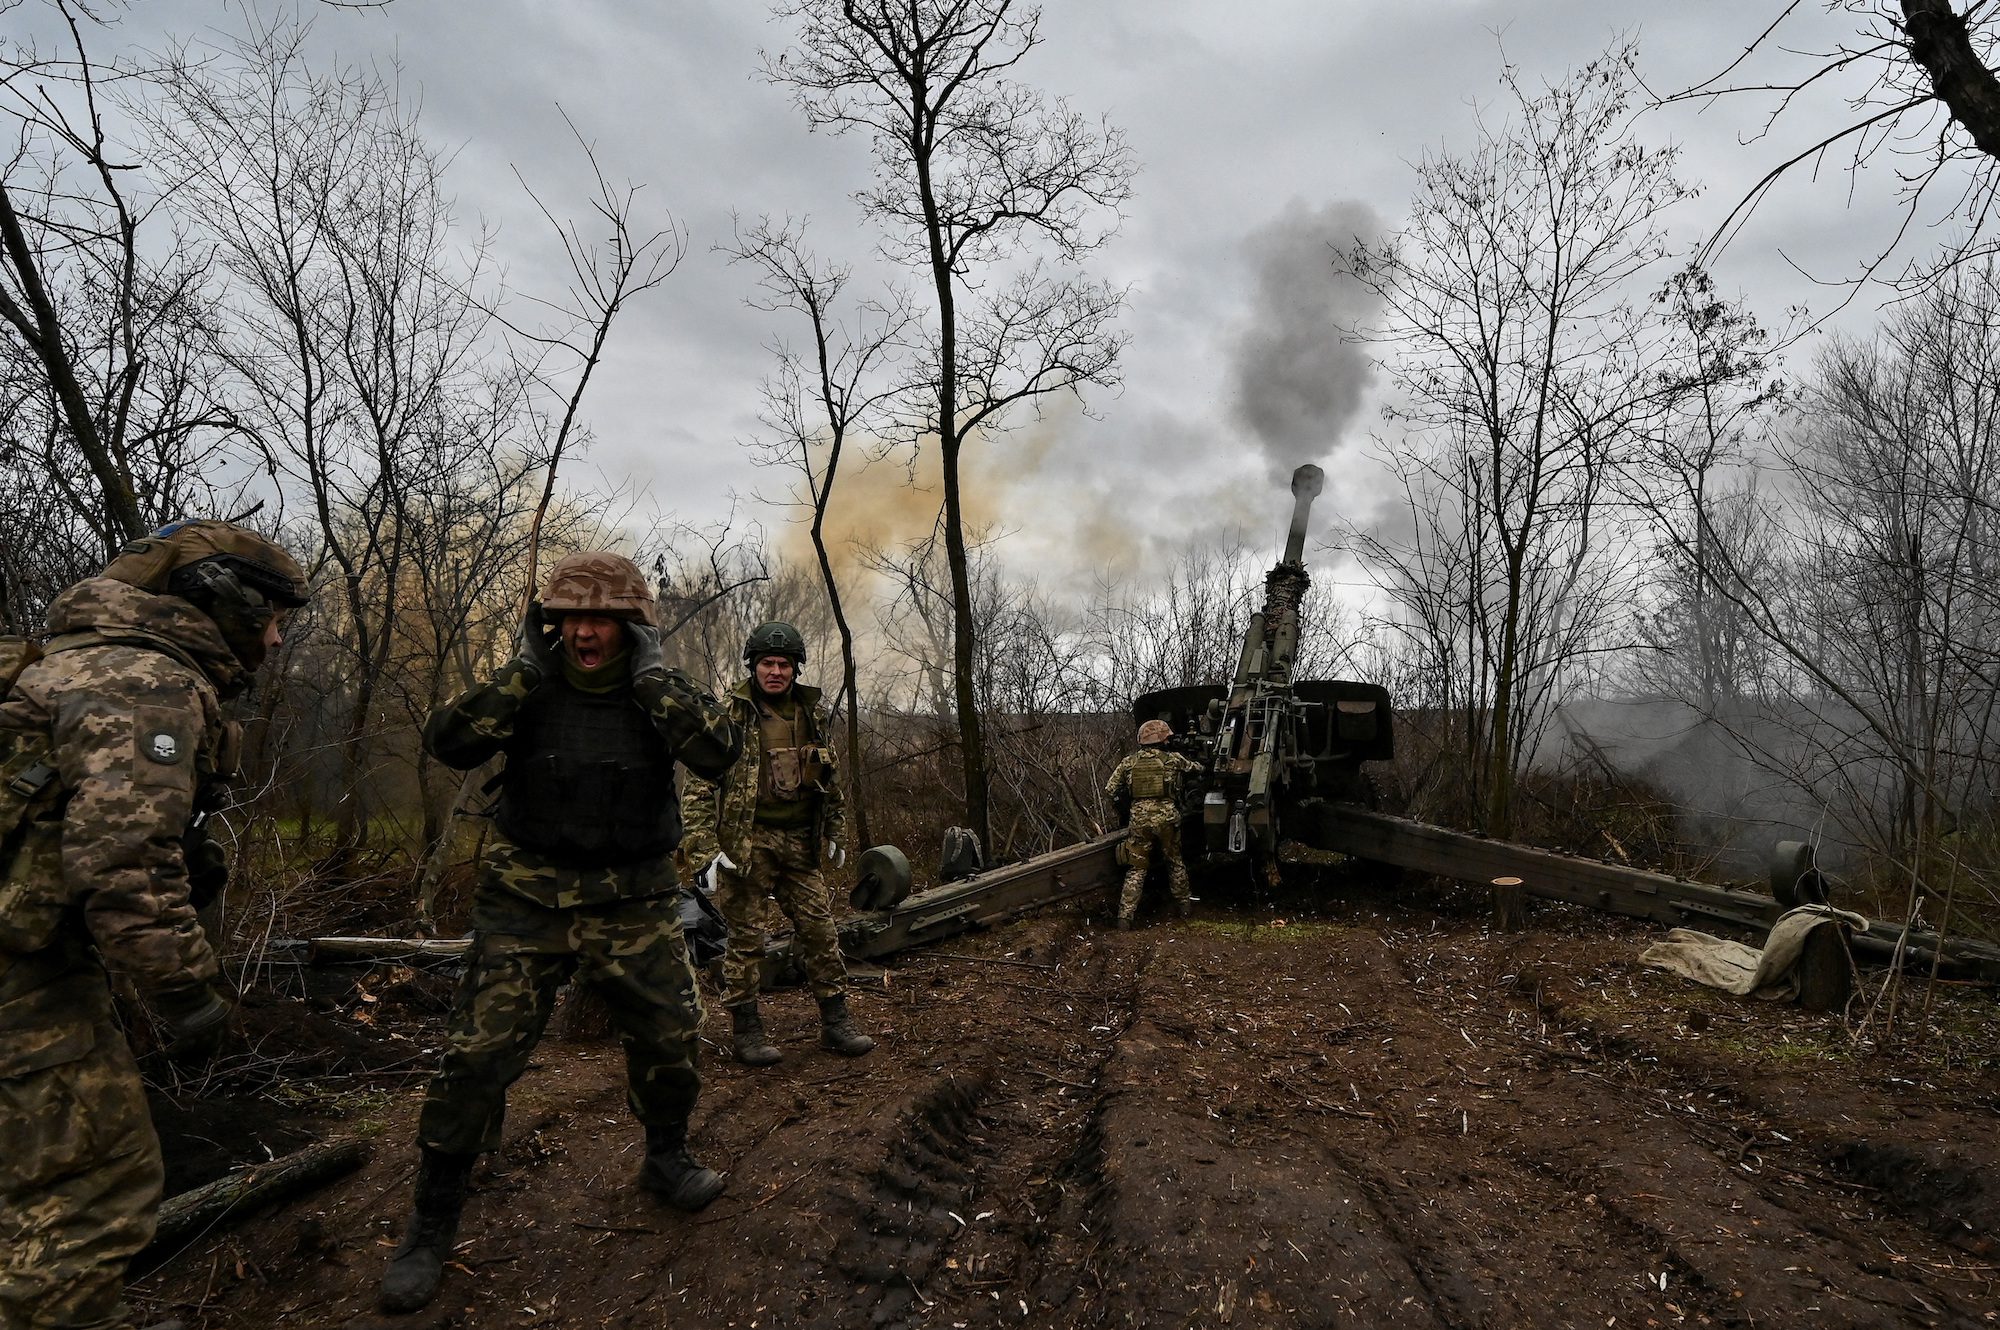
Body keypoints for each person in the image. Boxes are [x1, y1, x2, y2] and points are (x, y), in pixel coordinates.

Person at [378, 553, 743, 1315]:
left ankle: (665, 1158)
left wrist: (653, 682)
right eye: (571, 618)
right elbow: (449, 742)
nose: (584, 632)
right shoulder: (527, 686)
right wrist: (521, 672)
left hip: (635, 896)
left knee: (673, 1033)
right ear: (552, 625)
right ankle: (432, 1222)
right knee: (477, 1056)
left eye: (602, 619)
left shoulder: (655, 691)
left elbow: (721, 753)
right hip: (527, 898)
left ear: (629, 627)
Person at [0, 520, 309, 1330]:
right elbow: (126, 867)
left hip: (31, 958)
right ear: (224, 601)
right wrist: (193, 1001)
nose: (276, 640)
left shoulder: (68, 660)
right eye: (273, 617)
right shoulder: (143, 681)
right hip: (20, 981)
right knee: (92, 1186)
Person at [681, 621, 874, 1066]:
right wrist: (705, 851)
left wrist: (835, 830)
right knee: (746, 940)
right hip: (747, 845)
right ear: (753, 666)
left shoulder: (812, 714)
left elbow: (831, 774)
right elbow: (699, 786)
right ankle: (747, 1031)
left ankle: (836, 1022)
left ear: (795, 669)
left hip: (799, 842)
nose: (775, 672)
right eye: (767, 663)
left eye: (783, 665)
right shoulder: (731, 714)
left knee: (821, 932)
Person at [1105, 719, 1204, 930]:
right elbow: (1198, 769)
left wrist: (1128, 803)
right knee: (1174, 861)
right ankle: (1184, 906)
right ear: (1162, 739)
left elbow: (1110, 789)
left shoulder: (1128, 762)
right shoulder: (1173, 759)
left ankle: (1125, 918)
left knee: (1136, 868)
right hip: (1167, 817)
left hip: (1139, 820)